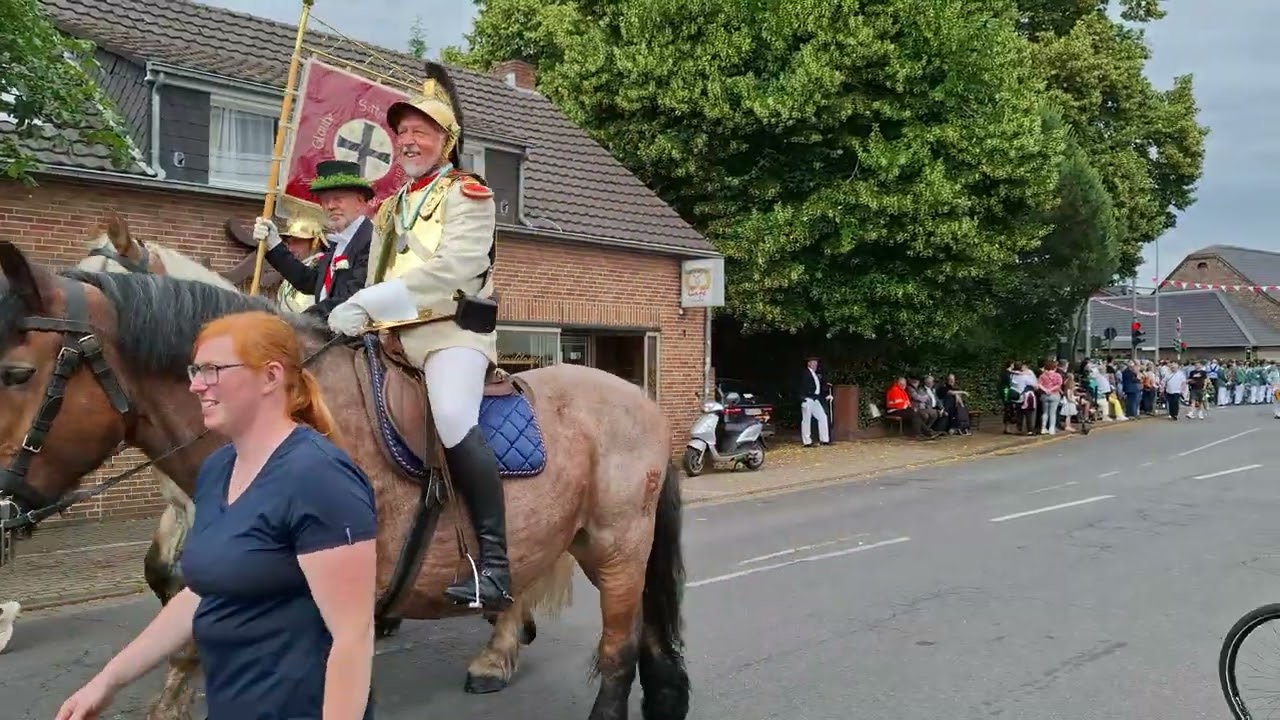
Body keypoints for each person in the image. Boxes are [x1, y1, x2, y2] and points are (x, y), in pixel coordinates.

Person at [55, 311, 377, 720]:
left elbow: (352, 636)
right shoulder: (217, 468)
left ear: (271, 377)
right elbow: (205, 591)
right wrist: (108, 680)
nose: (195, 384)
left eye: (213, 369)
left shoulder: (319, 477)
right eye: (196, 370)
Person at [325, 62, 512, 611]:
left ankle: (495, 566)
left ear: (445, 141)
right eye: (402, 133)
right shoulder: (390, 207)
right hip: (390, 338)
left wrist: (368, 304)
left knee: (453, 416)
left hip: (451, 336)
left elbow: (453, 270)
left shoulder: (468, 194)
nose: (408, 141)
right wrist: (342, 308)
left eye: (421, 132)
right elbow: (374, 274)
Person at [254, 159, 377, 322]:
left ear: (360, 201)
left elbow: (354, 297)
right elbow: (310, 282)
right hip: (328, 337)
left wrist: (301, 321)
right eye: (325, 201)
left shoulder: (372, 240)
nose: (330, 206)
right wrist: (274, 245)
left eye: (338, 198)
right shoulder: (338, 243)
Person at [797, 355, 832, 447]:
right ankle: (807, 441)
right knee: (806, 420)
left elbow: (818, 386)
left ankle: (825, 440)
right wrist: (802, 397)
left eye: (816, 362)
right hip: (807, 399)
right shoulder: (804, 373)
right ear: (809, 364)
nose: (815, 364)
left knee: (822, 417)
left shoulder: (816, 374)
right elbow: (799, 386)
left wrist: (826, 389)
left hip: (815, 399)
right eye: (813, 362)